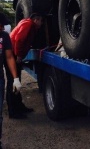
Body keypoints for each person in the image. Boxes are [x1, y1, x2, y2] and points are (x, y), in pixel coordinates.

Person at [5, 12, 43, 119]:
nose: (42, 23)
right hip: (11, 54)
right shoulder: (29, 25)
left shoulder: (27, 23)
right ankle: (13, 112)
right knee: (13, 82)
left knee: (17, 81)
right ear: (36, 20)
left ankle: (19, 106)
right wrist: (19, 55)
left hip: (13, 53)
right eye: (41, 20)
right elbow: (19, 40)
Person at [0, 13, 21, 147]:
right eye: (1, 25)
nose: (2, 28)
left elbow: (9, 57)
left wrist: (16, 78)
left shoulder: (4, 37)